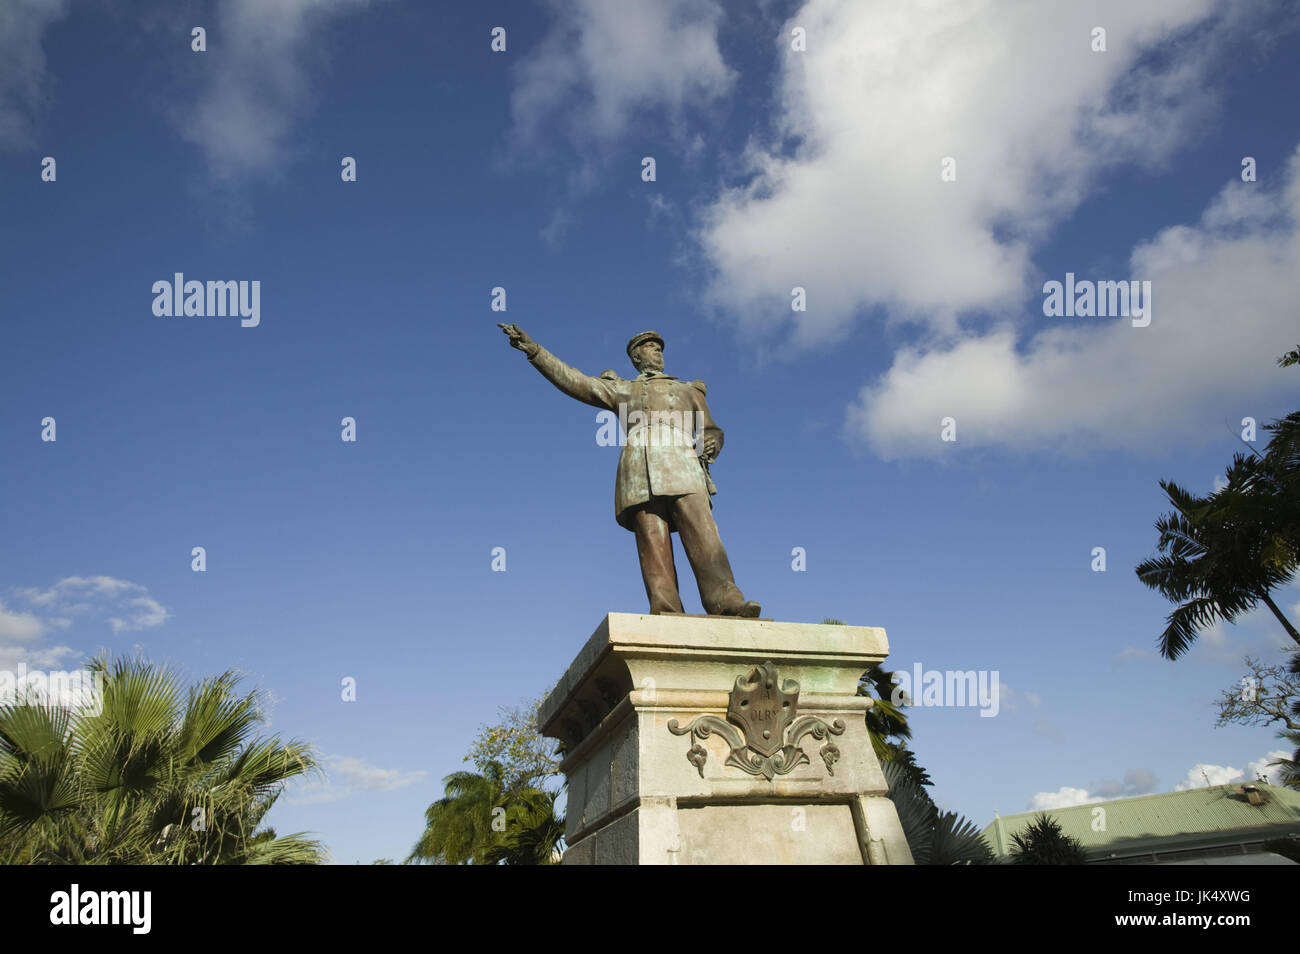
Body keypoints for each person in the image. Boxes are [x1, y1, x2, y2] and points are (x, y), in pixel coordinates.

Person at [499, 323, 761, 617]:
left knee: (704, 535)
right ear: (636, 357)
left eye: (659, 348)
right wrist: (536, 352)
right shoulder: (623, 389)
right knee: (652, 542)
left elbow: (711, 429)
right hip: (638, 470)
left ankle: (727, 602)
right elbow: (577, 382)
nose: (658, 352)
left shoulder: (689, 390)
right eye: (650, 347)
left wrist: (711, 443)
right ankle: (667, 609)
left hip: (683, 463)